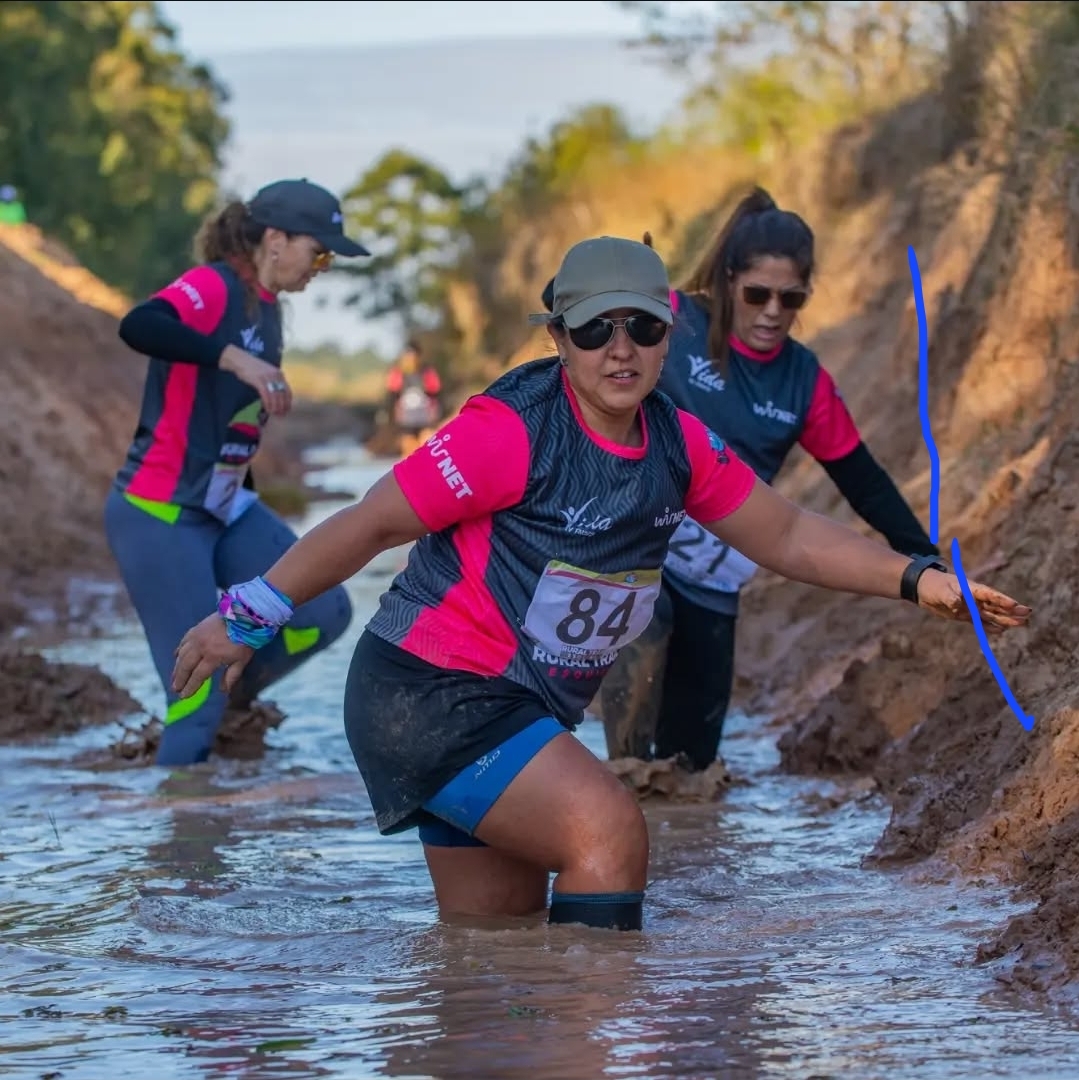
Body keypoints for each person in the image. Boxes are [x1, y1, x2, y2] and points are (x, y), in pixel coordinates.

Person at [170, 236, 1030, 934]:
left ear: (670, 331)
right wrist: (244, 618)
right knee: (607, 830)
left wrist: (918, 580)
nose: (619, 349)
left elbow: (789, 534)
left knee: (498, 953)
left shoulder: (678, 441)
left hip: (511, 710)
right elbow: (370, 524)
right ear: (558, 338)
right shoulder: (508, 432)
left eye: (640, 327)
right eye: (592, 330)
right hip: (430, 693)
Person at [540, 190, 941, 772]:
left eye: (791, 298)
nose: (772, 311)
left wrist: (923, 558)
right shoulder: (670, 320)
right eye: (757, 293)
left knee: (693, 767)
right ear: (729, 282)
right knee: (646, 627)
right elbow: (580, 316)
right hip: (626, 537)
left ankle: (673, 838)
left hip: (715, 569)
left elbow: (865, 482)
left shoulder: (804, 380)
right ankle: (620, 781)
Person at [105, 178, 371, 767]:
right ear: (275, 240)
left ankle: (224, 702)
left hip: (223, 509)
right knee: (193, 699)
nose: (323, 266)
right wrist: (233, 357)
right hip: (160, 511)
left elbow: (224, 431)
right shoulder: (213, 286)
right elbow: (139, 325)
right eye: (319, 251)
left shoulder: (268, 311)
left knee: (323, 611)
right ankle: (185, 843)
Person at [385, 339, 443, 440]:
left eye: (413, 355)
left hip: (425, 419)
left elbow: (436, 395)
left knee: (426, 445)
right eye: (408, 355)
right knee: (409, 449)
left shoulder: (427, 372)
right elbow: (392, 397)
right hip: (406, 420)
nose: (410, 358)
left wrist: (435, 415)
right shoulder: (397, 373)